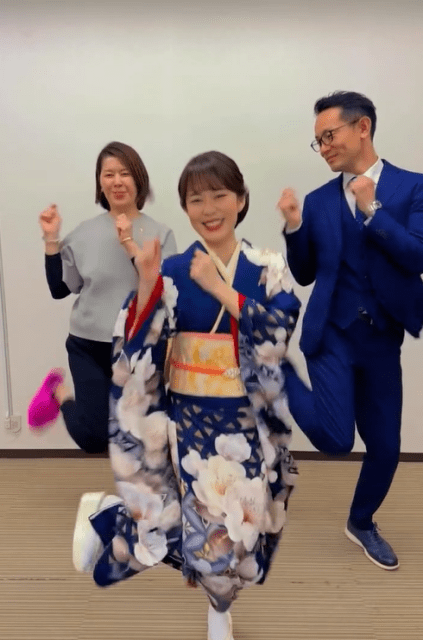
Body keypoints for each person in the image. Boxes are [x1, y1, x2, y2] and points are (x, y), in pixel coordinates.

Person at [72, 151, 300, 640]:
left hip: (249, 421)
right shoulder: (173, 269)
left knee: (244, 530)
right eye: (196, 199)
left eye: (220, 195)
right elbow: (139, 341)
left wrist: (219, 289)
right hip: (192, 419)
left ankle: (109, 516)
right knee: (202, 529)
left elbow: (281, 329)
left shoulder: (267, 266)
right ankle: (218, 610)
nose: (209, 208)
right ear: (185, 208)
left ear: (240, 200)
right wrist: (148, 282)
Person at [278, 91, 423, 570]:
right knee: (337, 441)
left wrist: (374, 212)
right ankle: (279, 374)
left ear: (362, 128)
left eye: (329, 136)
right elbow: (304, 274)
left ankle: (361, 522)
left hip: (382, 338)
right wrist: (294, 228)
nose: (323, 148)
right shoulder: (319, 201)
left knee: (385, 449)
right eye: (318, 141)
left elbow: (417, 256)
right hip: (331, 333)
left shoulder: (412, 187)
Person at [28, 141, 177, 453]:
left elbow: (163, 291)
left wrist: (129, 243)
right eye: (109, 174)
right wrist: (51, 239)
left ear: (139, 179)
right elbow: (60, 289)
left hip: (139, 347)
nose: (117, 181)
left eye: (125, 173)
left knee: (141, 436)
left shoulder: (160, 234)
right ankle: (58, 393)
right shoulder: (84, 233)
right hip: (88, 345)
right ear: (100, 183)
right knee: (94, 437)